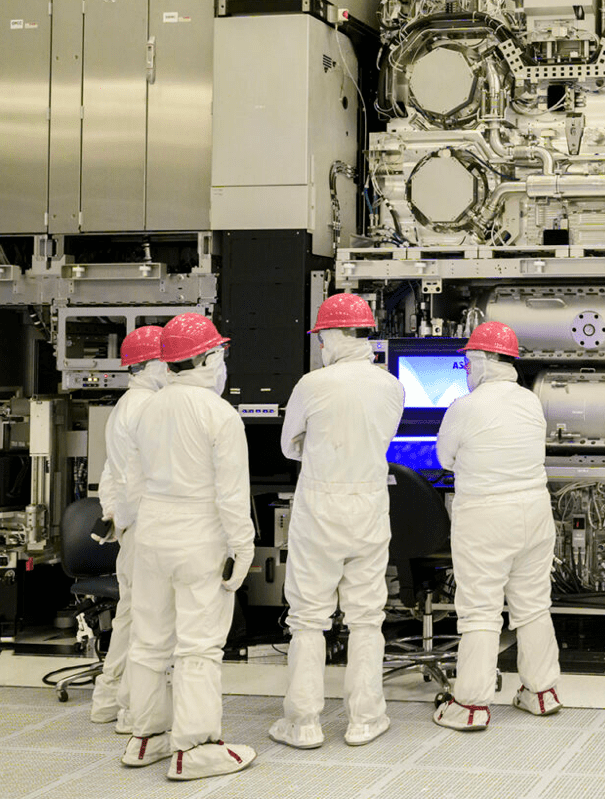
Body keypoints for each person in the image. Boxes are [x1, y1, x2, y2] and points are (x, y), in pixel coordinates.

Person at [120, 313, 256, 780]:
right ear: (205, 359)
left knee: (149, 640)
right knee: (199, 645)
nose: (222, 362)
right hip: (200, 537)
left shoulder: (148, 408)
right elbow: (232, 495)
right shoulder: (219, 414)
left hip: (151, 534)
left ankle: (146, 738)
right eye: (219, 353)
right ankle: (194, 749)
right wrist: (243, 547)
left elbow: (133, 483)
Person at [270, 294, 404, 750]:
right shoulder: (391, 386)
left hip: (320, 507)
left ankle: (303, 723)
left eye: (322, 338)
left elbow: (289, 446)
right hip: (369, 506)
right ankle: (365, 719)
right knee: (367, 616)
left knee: (308, 617)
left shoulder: (312, 384)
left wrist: (319, 449)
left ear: (330, 335)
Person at [433, 321, 562, 730]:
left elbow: (444, 459)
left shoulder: (465, 407)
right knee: (533, 605)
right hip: (535, 514)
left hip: (486, 517)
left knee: (480, 611)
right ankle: (541, 692)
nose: (467, 371)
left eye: (468, 364)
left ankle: (470, 705)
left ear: (482, 360)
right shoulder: (530, 401)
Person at [90, 326, 169, 733]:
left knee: (130, 615)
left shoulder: (126, 405)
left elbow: (111, 473)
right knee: (146, 619)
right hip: (146, 525)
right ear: (149, 365)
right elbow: (139, 478)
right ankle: (130, 707)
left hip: (132, 525)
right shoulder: (149, 408)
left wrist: (114, 516)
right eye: (167, 361)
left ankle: (108, 698)